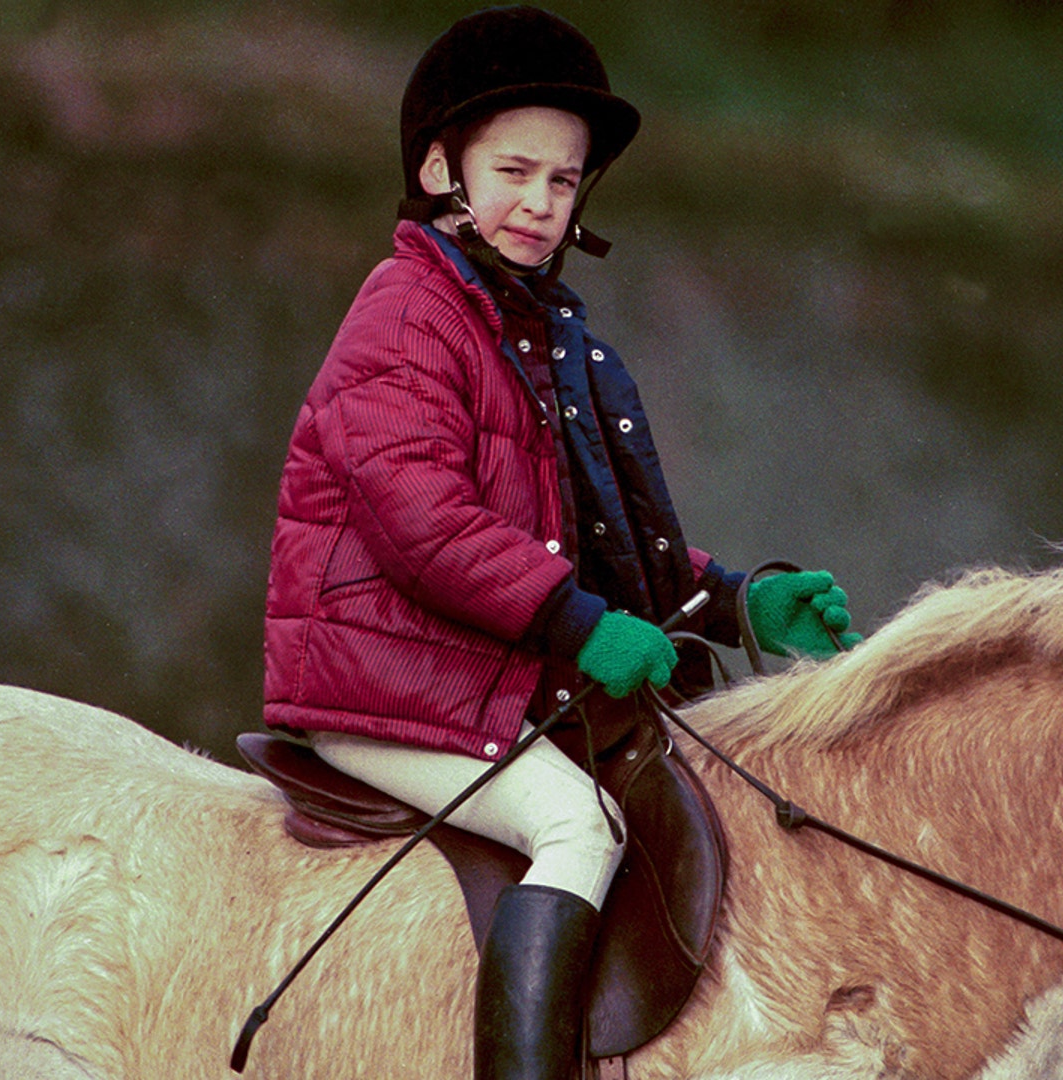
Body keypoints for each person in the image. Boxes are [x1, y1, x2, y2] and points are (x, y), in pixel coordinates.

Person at [260, 8, 858, 1078]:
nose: (540, 205)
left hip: (486, 677)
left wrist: (734, 604)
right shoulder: (406, 314)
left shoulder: (542, 328)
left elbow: (601, 537)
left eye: (564, 182)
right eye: (516, 172)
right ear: (443, 168)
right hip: (389, 678)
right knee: (578, 827)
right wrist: (578, 626)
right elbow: (426, 528)